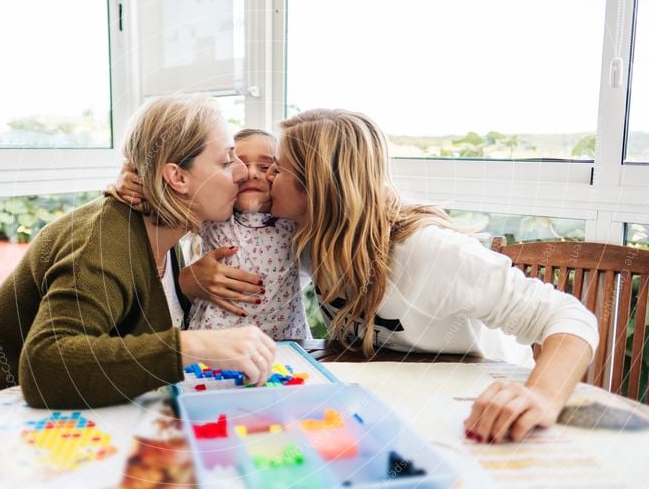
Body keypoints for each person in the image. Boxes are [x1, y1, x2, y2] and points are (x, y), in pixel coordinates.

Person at [179, 109, 599, 444]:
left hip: (482, 409)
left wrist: (540, 395)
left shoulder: (431, 252)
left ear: (318, 186)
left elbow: (568, 316)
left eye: (279, 168)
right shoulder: (308, 239)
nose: (264, 176)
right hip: (401, 400)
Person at [0, 97, 277, 410]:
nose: (243, 172)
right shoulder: (102, 243)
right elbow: (46, 368)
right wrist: (194, 345)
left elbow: (131, 315)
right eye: (226, 161)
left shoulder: (165, 233)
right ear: (177, 178)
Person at [117, 128, 310, 340]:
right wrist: (129, 175)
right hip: (215, 342)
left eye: (265, 167)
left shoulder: (293, 221)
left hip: (286, 344)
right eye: (236, 165)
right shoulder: (215, 217)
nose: (250, 173)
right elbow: (165, 195)